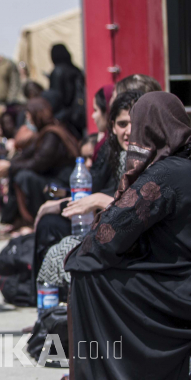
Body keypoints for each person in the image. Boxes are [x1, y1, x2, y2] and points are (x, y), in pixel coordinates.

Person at [65, 92, 191, 380]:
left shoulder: (163, 175)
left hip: (181, 289)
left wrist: (82, 250)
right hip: (185, 279)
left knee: (85, 270)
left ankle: (122, 378)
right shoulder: (186, 163)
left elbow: (108, 237)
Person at [33, 90, 141, 293]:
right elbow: (98, 191)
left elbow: (135, 207)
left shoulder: (148, 159)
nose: (128, 131)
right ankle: (49, 307)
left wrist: (99, 201)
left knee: (60, 241)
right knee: (51, 227)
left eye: (134, 123)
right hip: (106, 226)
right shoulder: (117, 154)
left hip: (131, 241)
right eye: (122, 124)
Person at [0, 96, 78, 230]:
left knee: (23, 177)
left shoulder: (52, 135)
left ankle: (30, 221)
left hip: (60, 187)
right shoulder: (43, 134)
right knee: (19, 173)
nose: (28, 120)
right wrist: (7, 164)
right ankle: (17, 219)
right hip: (52, 182)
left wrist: (11, 167)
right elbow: (26, 155)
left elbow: (38, 162)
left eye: (29, 116)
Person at [48, 43, 86, 139]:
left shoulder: (57, 72)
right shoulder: (76, 70)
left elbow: (56, 97)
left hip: (64, 118)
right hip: (78, 115)